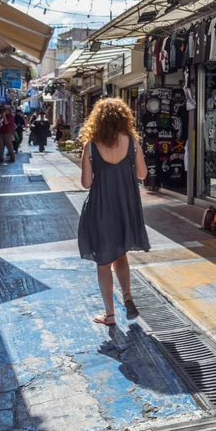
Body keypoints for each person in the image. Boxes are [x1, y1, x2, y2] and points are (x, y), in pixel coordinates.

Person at [77, 98, 150, 326]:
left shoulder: (91, 145)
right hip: (126, 205)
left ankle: (109, 314)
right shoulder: (132, 142)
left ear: (96, 120)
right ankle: (127, 295)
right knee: (120, 255)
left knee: (103, 260)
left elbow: (86, 183)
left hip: (101, 207)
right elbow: (143, 174)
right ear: (124, 118)